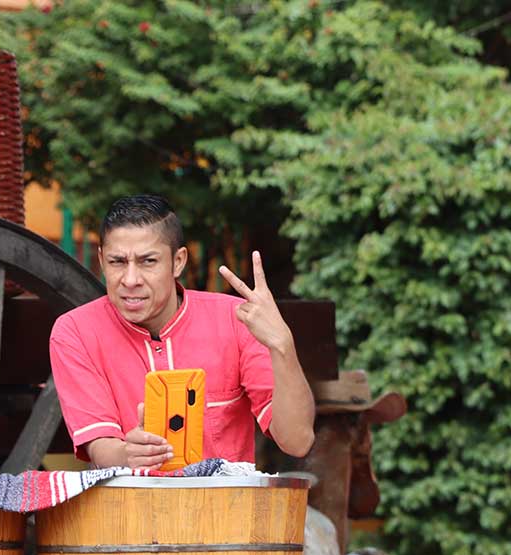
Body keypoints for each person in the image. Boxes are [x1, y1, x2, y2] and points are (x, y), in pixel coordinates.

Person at [49, 194, 315, 465]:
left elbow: (297, 441)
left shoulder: (237, 320)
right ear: (102, 260)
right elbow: (99, 445)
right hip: (128, 504)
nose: (130, 279)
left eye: (148, 261)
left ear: (178, 262)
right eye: (117, 262)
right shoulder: (76, 332)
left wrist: (282, 344)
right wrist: (127, 454)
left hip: (225, 504)